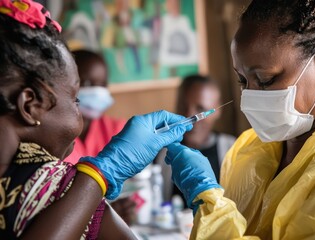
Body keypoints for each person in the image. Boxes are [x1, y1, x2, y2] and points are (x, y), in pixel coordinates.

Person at [164, 0, 315, 239]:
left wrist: (208, 200)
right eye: (243, 80)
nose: (248, 98)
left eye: (264, 80)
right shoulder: (247, 149)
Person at [0, 1, 190, 239]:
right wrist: (98, 176)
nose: (80, 108)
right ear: (31, 104)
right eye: (75, 98)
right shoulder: (60, 188)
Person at [63, 49, 136, 225]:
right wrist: (103, 213)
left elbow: (134, 185)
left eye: (102, 84)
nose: (97, 91)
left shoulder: (119, 130)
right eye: (88, 82)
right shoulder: (58, 138)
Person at [157, 74, 236, 201]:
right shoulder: (163, 154)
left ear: (218, 111)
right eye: (183, 107)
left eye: (200, 108)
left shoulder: (233, 149)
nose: (189, 116)